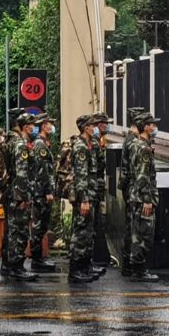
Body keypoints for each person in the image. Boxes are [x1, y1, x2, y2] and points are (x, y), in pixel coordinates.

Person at [123, 109, 160, 281]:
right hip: (142, 197)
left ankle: (132, 267)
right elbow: (143, 176)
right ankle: (138, 270)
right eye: (153, 124)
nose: (155, 127)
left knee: (135, 231)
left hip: (134, 195)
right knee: (144, 234)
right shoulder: (143, 148)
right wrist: (147, 199)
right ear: (146, 127)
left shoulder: (138, 144)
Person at [1, 112, 36, 281]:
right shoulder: (21, 145)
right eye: (31, 124)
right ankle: (16, 267)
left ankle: (8, 265)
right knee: (19, 231)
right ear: (24, 126)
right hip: (18, 194)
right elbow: (22, 173)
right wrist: (23, 197)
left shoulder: (12, 141)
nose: (33, 127)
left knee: (11, 230)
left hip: (11, 192)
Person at [68, 115, 99, 283]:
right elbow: (81, 176)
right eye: (92, 125)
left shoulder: (89, 145)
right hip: (84, 197)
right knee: (80, 233)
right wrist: (85, 200)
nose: (94, 127)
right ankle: (75, 270)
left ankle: (84, 267)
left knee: (87, 233)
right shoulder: (80, 147)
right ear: (85, 128)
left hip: (90, 194)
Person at [27, 112, 58, 273]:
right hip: (40, 191)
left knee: (42, 225)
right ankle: (37, 259)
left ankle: (39, 258)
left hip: (41, 190)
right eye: (49, 123)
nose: (51, 126)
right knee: (39, 225)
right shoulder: (40, 145)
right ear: (43, 126)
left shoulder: (43, 143)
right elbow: (42, 170)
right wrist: (47, 191)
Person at [90, 112, 111, 277]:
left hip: (95, 189)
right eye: (105, 123)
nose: (107, 126)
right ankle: (89, 262)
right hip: (91, 190)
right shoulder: (92, 144)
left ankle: (95, 259)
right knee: (89, 226)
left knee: (96, 224)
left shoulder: (99, 142)